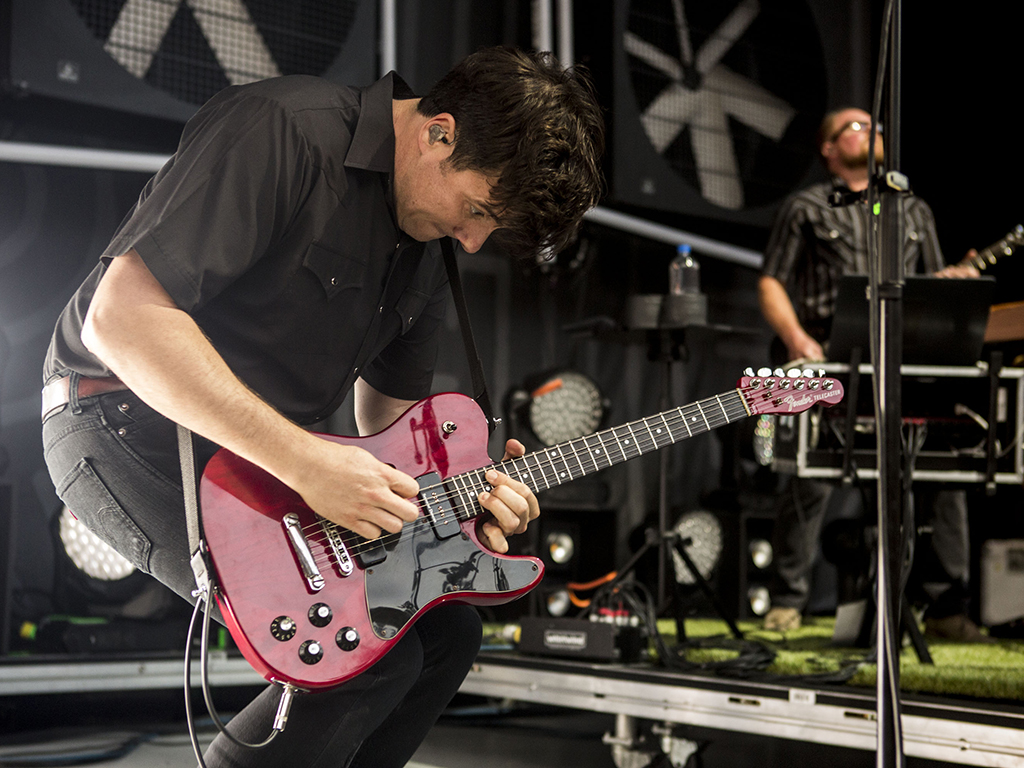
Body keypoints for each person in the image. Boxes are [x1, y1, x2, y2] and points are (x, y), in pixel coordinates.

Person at [41, 47, 605, 767]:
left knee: (444, 638)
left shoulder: (428, 248)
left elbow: (393, 431)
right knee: (365, 656)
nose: (471, 240)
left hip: (262, 464)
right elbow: (119, 322)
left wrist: (466, 502)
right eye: (476, 210)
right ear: (439, 132)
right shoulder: (282, 130)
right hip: (118, 424)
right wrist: (308, 462)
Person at [757, 107, 991, 642]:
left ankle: (949, 606)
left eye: (875, 125)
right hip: (830, 363)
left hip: (905, 364)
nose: (872, 132)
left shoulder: (913, 211)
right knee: (808, 473)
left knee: (941, 470)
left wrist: (955, 281)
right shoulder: (807, 207)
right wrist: (800, 341)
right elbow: (772, 281)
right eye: (856, 126)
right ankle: (788, 600)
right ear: (829, 148)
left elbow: (933, 288)